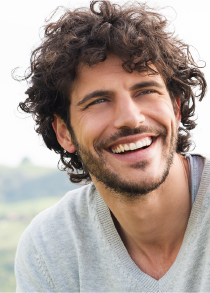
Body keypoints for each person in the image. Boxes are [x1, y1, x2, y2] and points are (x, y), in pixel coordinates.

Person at [15, 0, 209, 292]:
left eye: (145, 91)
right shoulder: (49, 248)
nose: (131, 119)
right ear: (65, 133)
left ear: (176, 109)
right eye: (99, 101)